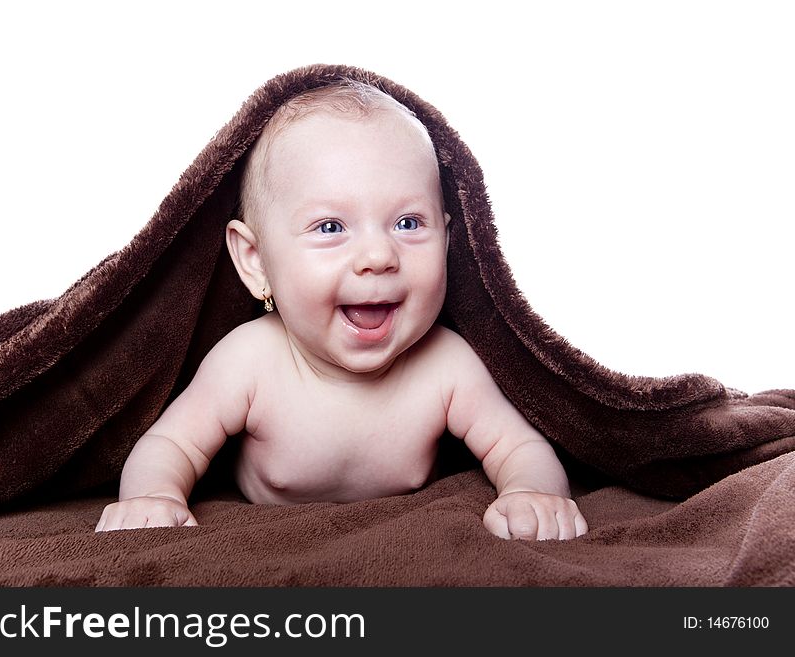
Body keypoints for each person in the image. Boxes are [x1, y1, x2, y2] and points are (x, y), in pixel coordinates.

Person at [96, 79, 588, 540]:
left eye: (409, 222)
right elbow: (170, 446)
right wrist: (154, 496)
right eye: (330, 227)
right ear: (256, 261)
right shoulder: (249, 360)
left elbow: (518, 447)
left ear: (448, 238)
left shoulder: (447, 364)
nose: (378, 257)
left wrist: (531, 491)